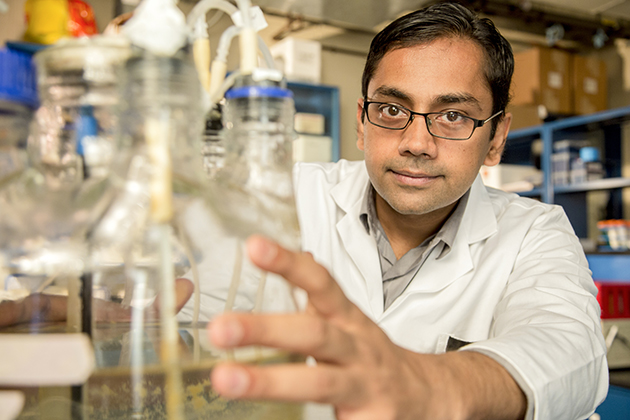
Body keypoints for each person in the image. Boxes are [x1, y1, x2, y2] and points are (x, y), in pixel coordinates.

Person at [207, 2, 608, 420]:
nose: (416, 142)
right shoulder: (285, 196)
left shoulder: (534, 232)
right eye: (393, 110)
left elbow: (570, 351)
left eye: (453, 115)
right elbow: (200, 313)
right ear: (363, 122)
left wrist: (432, 385)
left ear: (496, 138)